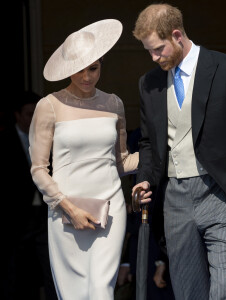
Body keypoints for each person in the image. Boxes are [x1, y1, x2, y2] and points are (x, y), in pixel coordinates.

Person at [131, 3, 226, 299]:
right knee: (188, 291)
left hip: (221, 194)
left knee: (225, 289)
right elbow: (149, 142)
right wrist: (145, 178)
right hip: (175, 199)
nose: (153, 57)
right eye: (148, 51)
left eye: (158, 49)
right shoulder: (149, 84)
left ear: (177, 35)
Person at [28, 19, 139, 300]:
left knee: (102, 290)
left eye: (94, 68)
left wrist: (167, 152)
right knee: (75, 293)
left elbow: (121, 162)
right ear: (68, 69)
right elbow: (39, 169)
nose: (87, 76)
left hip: (110, 208)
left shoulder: (114, 103)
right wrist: (68, 208)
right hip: (65, 211)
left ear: (101, 64)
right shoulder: (49, 105)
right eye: (79, 70)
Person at [1, 91, 57, 300]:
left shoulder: (50, 140)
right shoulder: (4, 141)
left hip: (44, 216)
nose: (34, 119)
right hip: (15, 220)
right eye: (29, 113)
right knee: (16, 275)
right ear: (17, 115)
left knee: (50, 271)